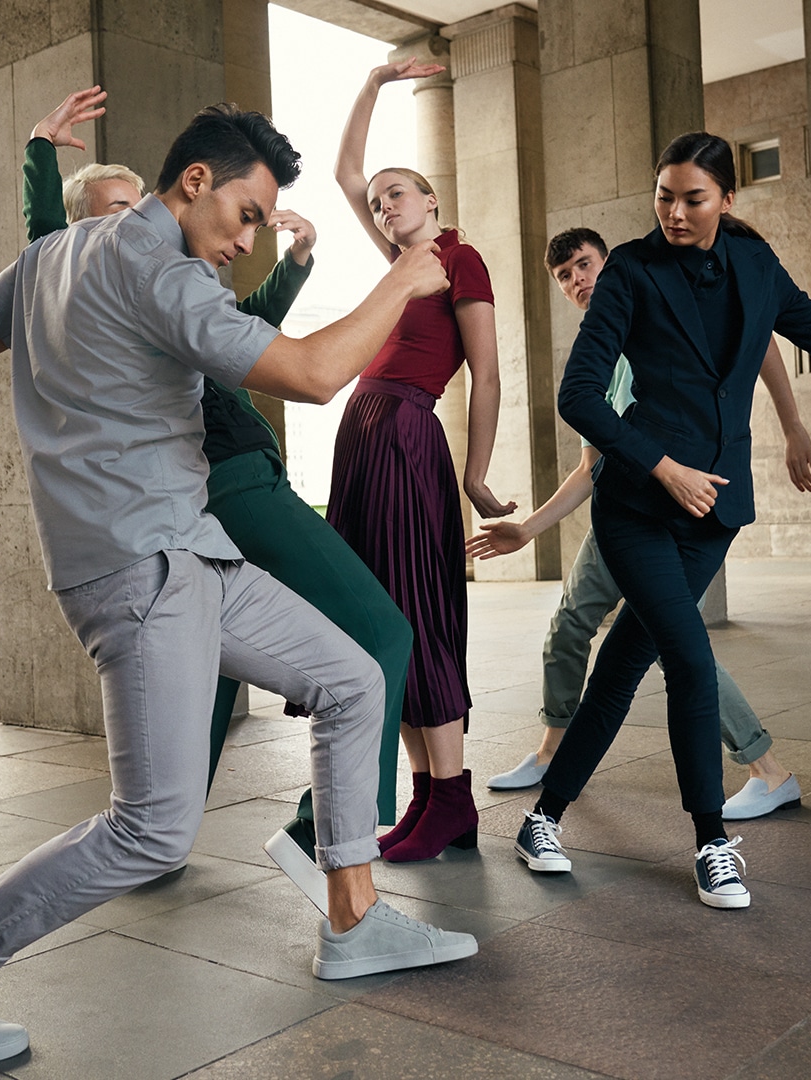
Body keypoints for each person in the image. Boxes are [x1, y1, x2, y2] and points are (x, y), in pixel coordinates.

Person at [0, 103, 478, 1069]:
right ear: (194, 182)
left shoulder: (58, 256)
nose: (248, 237)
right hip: (139, 572)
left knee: (353, 679)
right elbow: (310, 374)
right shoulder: (163, 277)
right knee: (151, 832)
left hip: (193, 555)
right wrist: (403, 277)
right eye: (247, 213)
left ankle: (354, 919)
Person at [514, 133, 811, 910]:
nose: (673, 211)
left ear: (727, 200)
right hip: (639, 504)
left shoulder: (758, 269)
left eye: (692, 198)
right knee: (691, 661)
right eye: (664, 195)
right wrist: (661, 465)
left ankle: (542, 818)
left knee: (627, 661)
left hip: (713, 513)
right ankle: (710, 841)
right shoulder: (629, 271)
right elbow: (580, 397)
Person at [21, 87, 411, 916]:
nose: (140, 222)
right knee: (376, 637)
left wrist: (296, 265)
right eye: (117, 212)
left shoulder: (178, 280)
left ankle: (322, 888)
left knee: (255, 681)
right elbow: (307, 373)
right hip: (201, 502)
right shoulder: (102, 262)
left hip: (202, 506)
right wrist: (37, 152)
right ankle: (311, 848)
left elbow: (250, 330)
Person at [473, 227, 810, 821]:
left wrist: (792, 426)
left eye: (585, 265)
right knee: (575, 626)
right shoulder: (598, 349)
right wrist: (528, 530)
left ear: (613, 262)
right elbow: (590, 466)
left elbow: (757, 341)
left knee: (669, 642)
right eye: (565, 276)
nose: (579, 280)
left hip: (669, 514)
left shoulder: (659, 308)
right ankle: (554, 751)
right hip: (622, 510)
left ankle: (766, 769)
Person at [329, 58, 517, 862]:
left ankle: (453, 800)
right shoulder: (405, 267)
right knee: (381, 619)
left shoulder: (458, 259)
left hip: (406, 432)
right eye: (379, 202)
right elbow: (345, 171)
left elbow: (488, 371)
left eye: (397, 192)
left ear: (433, 200)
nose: (382, 202)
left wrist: (475, 474)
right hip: (365, 438)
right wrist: (371, 81)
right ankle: (428, 802)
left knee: (415, 613)